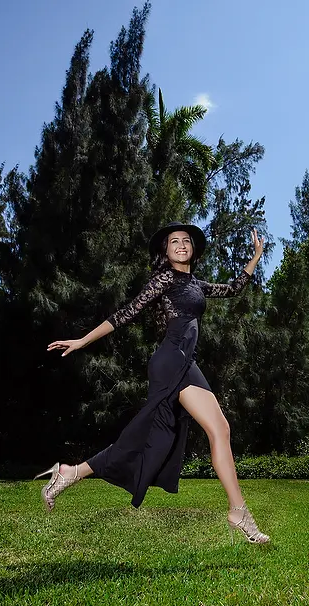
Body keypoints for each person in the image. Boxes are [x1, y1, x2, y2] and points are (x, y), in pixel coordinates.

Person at [35, 221, 271, 544]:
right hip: (170, 361)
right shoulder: (164, 279)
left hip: (187, 363)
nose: (181, 245)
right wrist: (82, 341)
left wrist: (255, 257)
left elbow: (232, 288)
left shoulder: (196, 284)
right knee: (152, 437)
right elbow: (126, 313)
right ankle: (238, 511)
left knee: (211, 431)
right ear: (166, 251)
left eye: (185, 241)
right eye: (174, 242)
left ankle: (237, 511)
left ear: (192, 249)